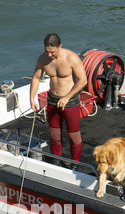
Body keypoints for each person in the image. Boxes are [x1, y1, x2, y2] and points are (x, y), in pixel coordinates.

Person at [30, 33, 87, 164]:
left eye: (52, 52)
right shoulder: (43, 59)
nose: (49, 55)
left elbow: (83, 80)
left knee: (73, 135)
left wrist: (67, 97)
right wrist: (32, 97)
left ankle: (75, 164)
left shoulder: (71, 58)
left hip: (70, 101)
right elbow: (36, 78)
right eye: (46, 51)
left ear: (60, 46)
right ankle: (56, 161)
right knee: (54, 134)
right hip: (52, 100)